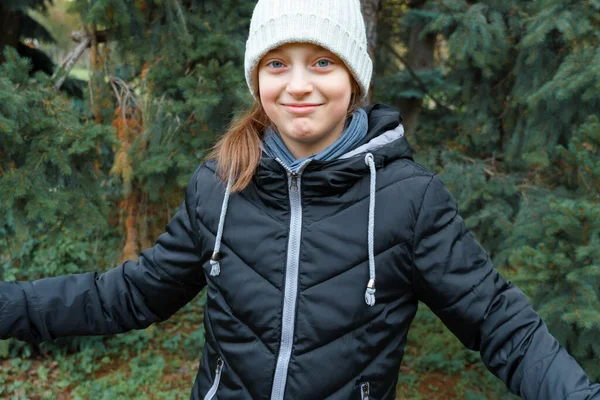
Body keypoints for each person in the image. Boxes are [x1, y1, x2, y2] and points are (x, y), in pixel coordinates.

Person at [1, 0, 599, 399]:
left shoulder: (409, 200)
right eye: (277, 64)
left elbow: (501, 325)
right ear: (257, 78)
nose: (299, 84)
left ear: (353, 78)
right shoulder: (219, 184)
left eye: (321, 61)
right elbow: (129, 296)